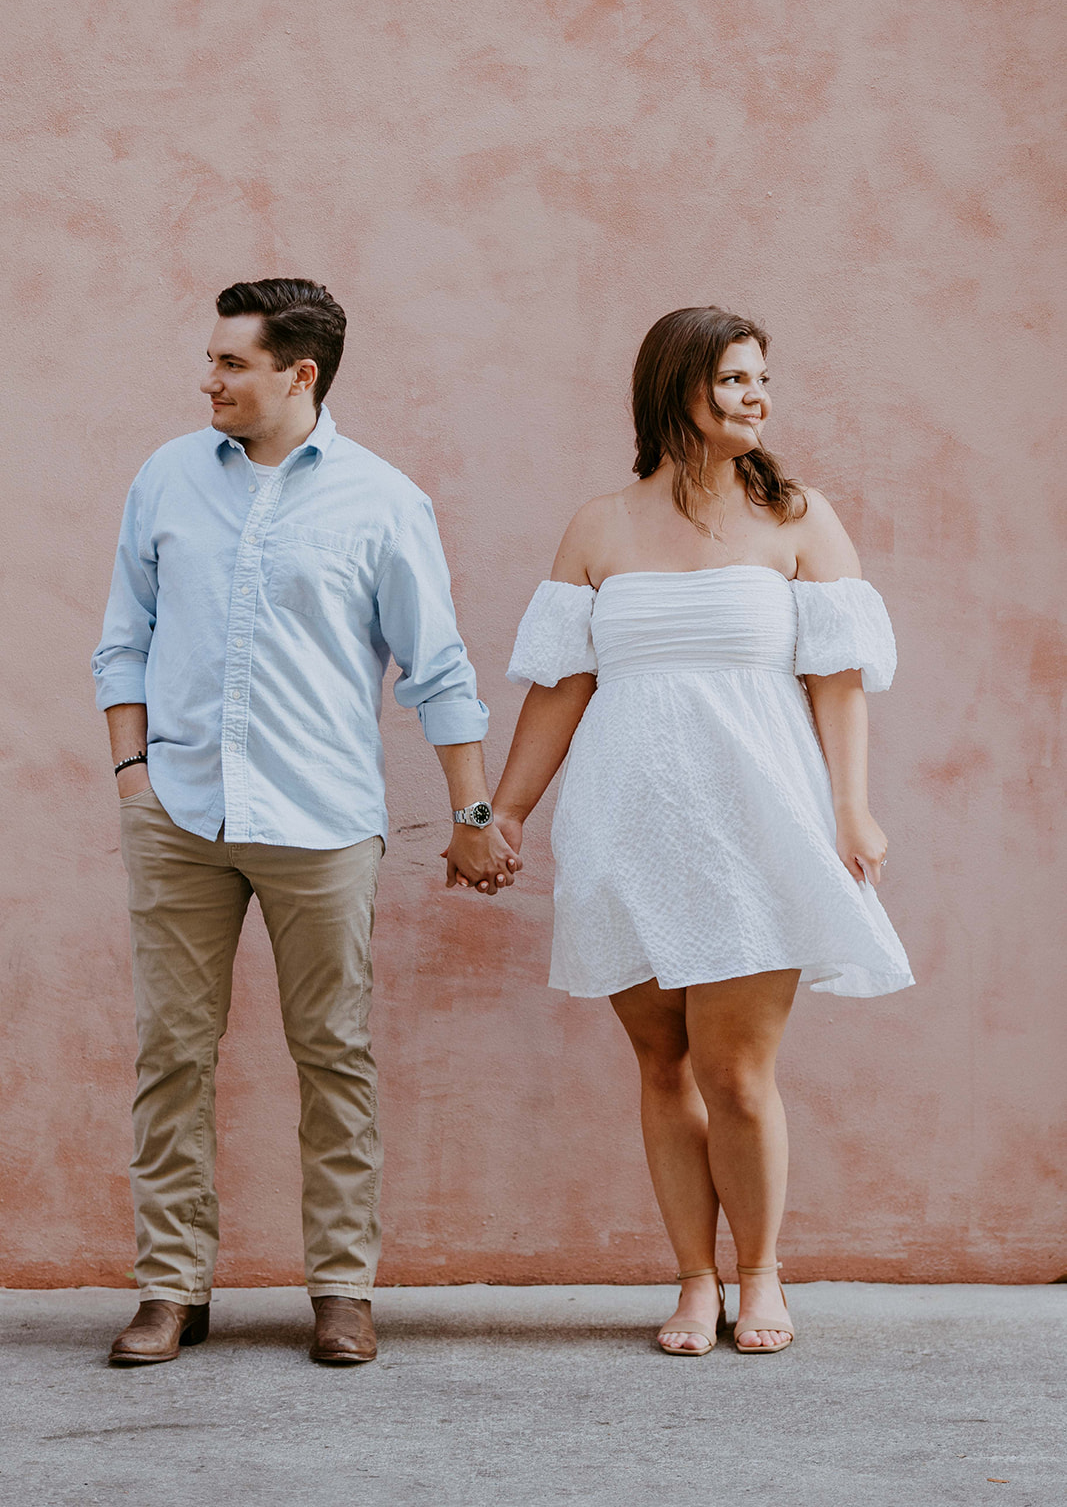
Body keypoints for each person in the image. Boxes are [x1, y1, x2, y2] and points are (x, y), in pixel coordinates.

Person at [93, 277, 518, 1366]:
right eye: (212, 358)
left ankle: (341, 1285)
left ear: (300, 374)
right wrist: (133, 776)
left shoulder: (382, 501)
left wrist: (473, 812)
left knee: (333, 1052)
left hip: (320, 822)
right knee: (170, 1053)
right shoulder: (168, 477)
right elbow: (122, 637)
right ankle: (171, 1287)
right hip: (180, 812)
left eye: (232, 363)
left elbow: (438, 671)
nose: (209, 380)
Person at [489, 307, 913, 1356]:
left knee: (735, 1068)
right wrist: (501, 811)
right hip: (625, 822)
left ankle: (759, 1275)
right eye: (730, 378)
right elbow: (560, 689)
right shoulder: (598, 525)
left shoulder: (800, 519)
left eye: (759, 377)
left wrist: (850, 805)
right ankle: (691, 1280)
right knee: (660, 1057)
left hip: (755, 821)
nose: (753, 396)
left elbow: (839, 684)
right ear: (672, 389)